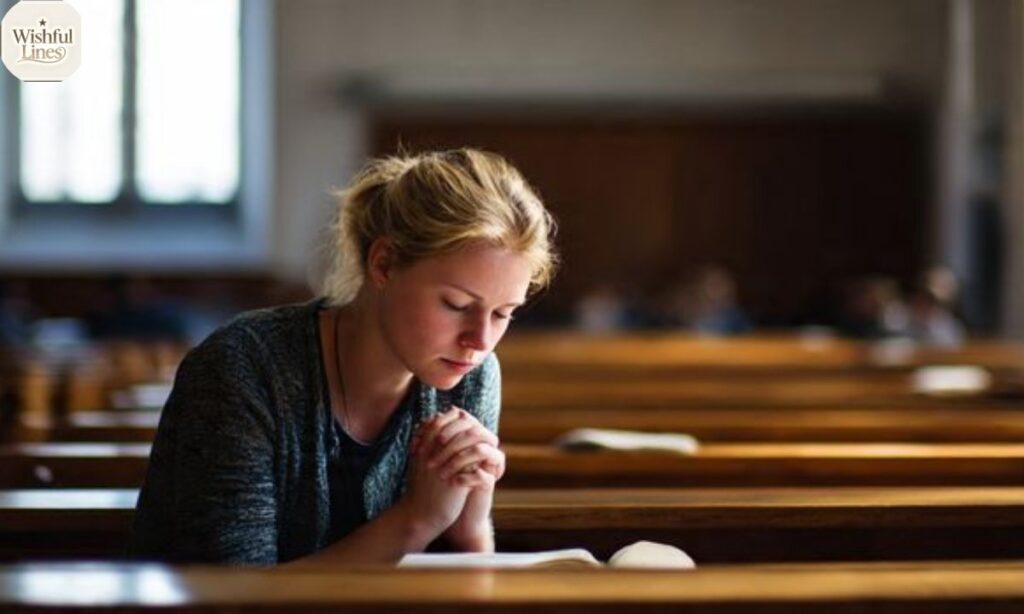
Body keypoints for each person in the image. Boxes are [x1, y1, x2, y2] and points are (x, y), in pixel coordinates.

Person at [129, 148, 558, 565]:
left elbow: (466, 580)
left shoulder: (472, 375)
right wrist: (417, 520)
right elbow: (234, 596)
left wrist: (472, 525)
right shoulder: (243, 368)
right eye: (457, 305)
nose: (480, 340)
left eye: (504, 313)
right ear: (384, 264)